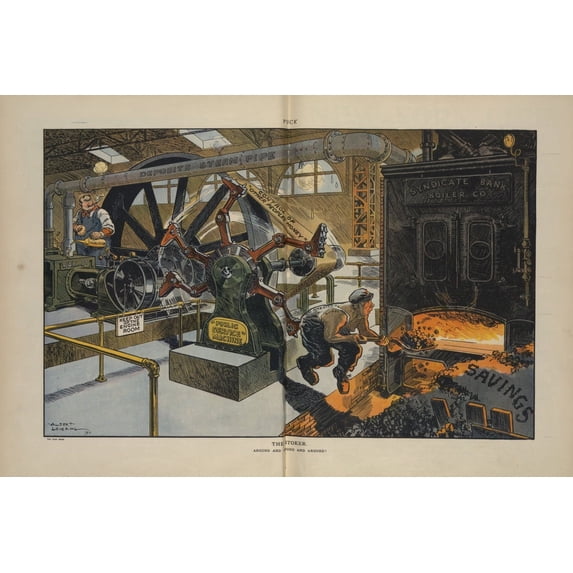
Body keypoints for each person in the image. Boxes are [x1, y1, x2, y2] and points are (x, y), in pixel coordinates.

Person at [296, 288, 386, 394]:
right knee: (325, 359)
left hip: (333, 328)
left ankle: (340, 373)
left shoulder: (361, 313)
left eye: (370, 302)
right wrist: (351, 337)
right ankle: (304, 363)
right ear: (357, 306)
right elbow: (330, 337)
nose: (372, 305)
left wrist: (378, 338)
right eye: (367, 303)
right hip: (313, 327)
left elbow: (364, 331)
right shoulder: (340, 315)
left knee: (353, 349)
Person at [73, 193, 115, 266]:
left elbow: (110, 228)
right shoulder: (79, 213)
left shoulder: (101, 212)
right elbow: (71, 223)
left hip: (97, 251)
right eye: (84, 201)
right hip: (81, 250)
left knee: (98, 268)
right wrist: (76, 227)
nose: (87, 203)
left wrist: (100, 234)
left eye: (88, 200)